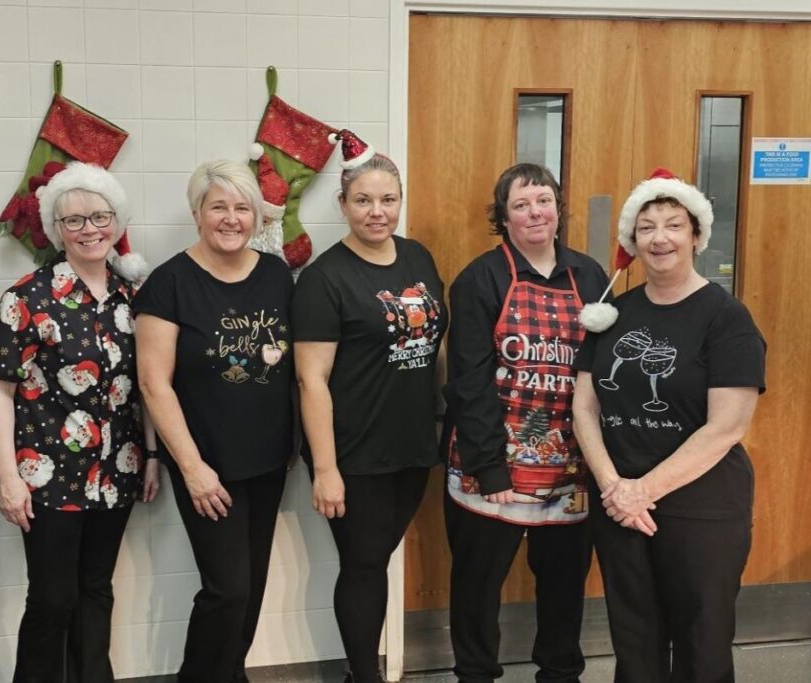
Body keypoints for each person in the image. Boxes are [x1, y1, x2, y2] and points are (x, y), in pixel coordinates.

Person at [573, 168, 765, 682]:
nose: (660, 238)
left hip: (702, 508)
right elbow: (584, 408)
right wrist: (614, 487)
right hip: (620, 505)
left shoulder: (726, 318)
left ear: (697, 236)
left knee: (702, 645)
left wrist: (642, 492)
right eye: (646, 227)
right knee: (635, 643)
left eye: (674, 225)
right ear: (632, 242)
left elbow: (726, 427)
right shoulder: (613, 314)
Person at [0, 162, 160, 682]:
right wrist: (8, 477)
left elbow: (145, 386)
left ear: (117, 222)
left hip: (118, 470)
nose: (89, 229)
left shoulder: (133, 298)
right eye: (74, 220)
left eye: (100, 217)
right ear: (56, 230)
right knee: (53, 599)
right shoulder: (26, 298)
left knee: (96, 591)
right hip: (47, 476)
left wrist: (151, 455)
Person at [442, 163, 610, 682]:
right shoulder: (480, 279)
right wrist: (490, 467)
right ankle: (475, 674)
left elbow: (604, 374)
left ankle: (560, 674)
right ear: (504, 217)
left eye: (544, 201)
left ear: (558, 209)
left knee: (563, 586)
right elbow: (469, 382)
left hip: (570, 467)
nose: (535, 213)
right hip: (491, 465)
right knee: (477, 586)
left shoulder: (590, 277)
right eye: (521, 204)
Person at [292, 131, 448, 683]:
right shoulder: (324, 280)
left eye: (387, 199)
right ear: (342, 205)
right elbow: (311, 380)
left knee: (377, 558)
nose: (376, 211)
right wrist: (326, 469)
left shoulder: (417, 257)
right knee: (362, 564)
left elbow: (435, 344)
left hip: (412, 443)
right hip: (354, 452)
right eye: (363, 200)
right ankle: (364, 675)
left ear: (400, 201)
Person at [134, 159, 294, 683]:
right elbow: (154, 384)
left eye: (242, 207)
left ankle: (229, 673)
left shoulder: (276, 275)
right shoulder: (169, 283)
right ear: (197, 213)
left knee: (251, 587)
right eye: (218, 207)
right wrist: (192, 468)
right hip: (206, 465)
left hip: (268, 460)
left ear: (256, 217)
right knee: (227, 590)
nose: (231, 218)